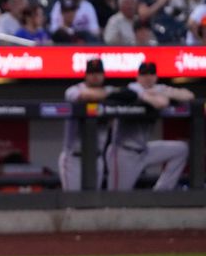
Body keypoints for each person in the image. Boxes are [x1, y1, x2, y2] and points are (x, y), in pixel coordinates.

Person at [106, 62, 195, 191]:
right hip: (123, 153)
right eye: (144, 74)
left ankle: (160, 193)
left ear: (156, 76)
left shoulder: (158, 88)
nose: (148, 77)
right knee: (116, 199)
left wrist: (161, 91)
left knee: (181, 149)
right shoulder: (133, 88)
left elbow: (189, 95)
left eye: (151, 74)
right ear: (138, 77)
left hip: (144, 150)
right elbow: (160, 103)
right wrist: (162, 93)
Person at [58, 58, 117, 191]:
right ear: (86, 75)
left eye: (98, 73)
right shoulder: (73, 90)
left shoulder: (109, 91)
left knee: (93, 201)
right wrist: (110, 95)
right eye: (91, 73)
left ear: (103, 75)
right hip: (74, 157)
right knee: (72, 201)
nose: (95, 76)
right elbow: (84, 96)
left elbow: (128, 95)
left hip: (97, 157)